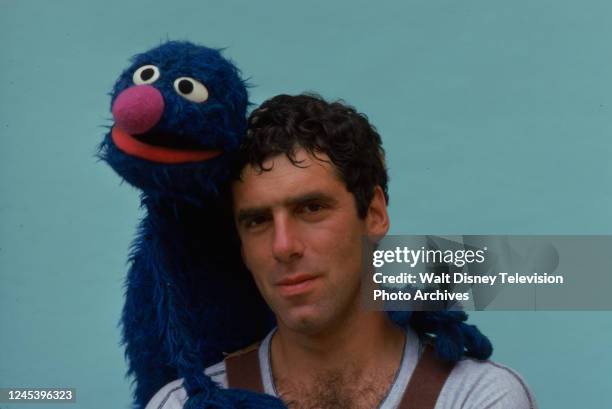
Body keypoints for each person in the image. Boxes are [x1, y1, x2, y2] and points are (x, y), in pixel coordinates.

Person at [146, 94, 538, 409]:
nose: (283, 246)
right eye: (257, 220)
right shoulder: (187, 404)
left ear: (374, 214)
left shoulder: (478, 398)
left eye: (311, 208)